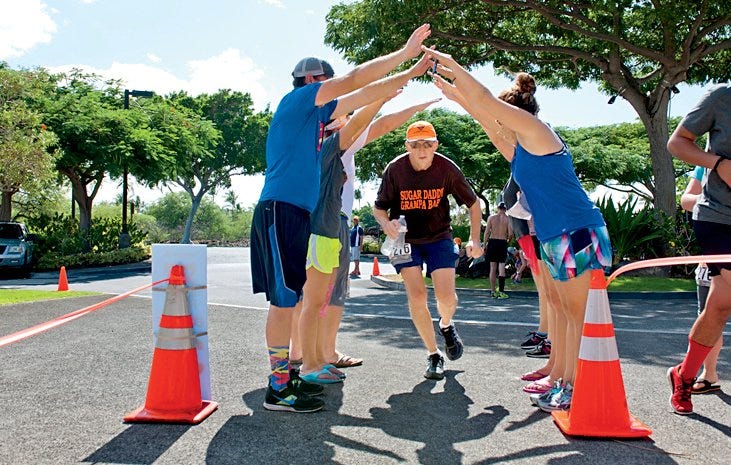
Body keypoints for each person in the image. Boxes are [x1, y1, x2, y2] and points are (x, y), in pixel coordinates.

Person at [249, 23, 432, 413]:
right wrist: (404, 56)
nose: (329, 86)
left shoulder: (318, 123)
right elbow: (356, 82)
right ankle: (279, 387)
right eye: (321, 81)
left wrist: (409, 77)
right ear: (310, 82)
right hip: (279, 209)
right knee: (284, 301)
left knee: (294, 298)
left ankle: (288, 378)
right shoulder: (297, 102)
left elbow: (364, 96)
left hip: (297, 213)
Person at [425, 47, 612, 412]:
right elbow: (486, 118)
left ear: (516, 112)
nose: (499, 121)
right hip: (555, 234)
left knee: (575, 315)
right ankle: (560, 377)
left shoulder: (537, 131)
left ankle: (573, 387)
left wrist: (453, 65)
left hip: (576, 231)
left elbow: (486, 104)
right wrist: (456, 95)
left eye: (503, 113)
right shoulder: (521, 149)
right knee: (559, 307)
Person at [319, 98, 440, 372]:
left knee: (315, 291)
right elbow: (383, 124)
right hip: (332, 222)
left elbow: (380, 124)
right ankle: (321, 353)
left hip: (318, 221)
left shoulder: (317, 143)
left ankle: (308, 351)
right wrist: (407, 104)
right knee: (331, 292)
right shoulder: (340, 143)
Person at [373, 120, 483, 380]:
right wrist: (385, 222)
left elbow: (474, 204)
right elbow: (379, 208)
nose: (422, 150)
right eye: (415, 144)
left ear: (436, 145)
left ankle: (446, 325)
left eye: (427, 144)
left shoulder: (446, 168)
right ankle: (434, 354)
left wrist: (474, 239)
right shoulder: (395, 170)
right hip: (404, 240)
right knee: (417, 296)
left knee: (446, 298)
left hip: (439, 236)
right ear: (407, 146)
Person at [667, 84, 731, 415]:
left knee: (720, 306)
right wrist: (718, 163)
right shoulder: (722, 98)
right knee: (727, 295)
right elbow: (676, 143)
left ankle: (684, 375)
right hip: (719, 218)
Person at [681, 166, 722, 395]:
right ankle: (709, 374)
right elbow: (686, 200)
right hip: (714, 259)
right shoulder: (705, 164)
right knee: (710, 318)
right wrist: (716, 204)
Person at [483, 202, 512, 298]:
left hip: (492, 242)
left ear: (498, 208)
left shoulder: (491, 218)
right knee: (501, 267)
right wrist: (508, 242)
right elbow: (511, 234)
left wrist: (484, 245)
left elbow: (487, 233)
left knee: (493, 268)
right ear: (505, 209)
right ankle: (501, 292)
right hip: (502, 242)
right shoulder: (508, 219)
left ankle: (492, 291)